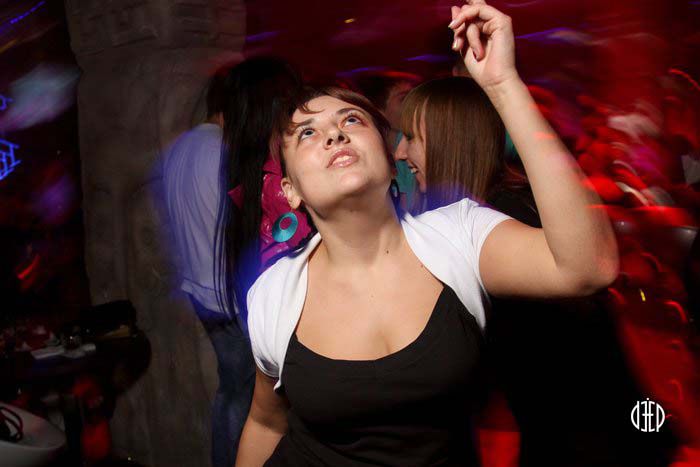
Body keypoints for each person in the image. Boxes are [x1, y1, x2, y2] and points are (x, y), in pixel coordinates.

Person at [236, 1, 619, 465]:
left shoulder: (460, 233)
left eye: (351, 119)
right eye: (307, 134)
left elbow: (588, 267)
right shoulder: (275, 293)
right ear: (291, 191)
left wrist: (504, 86)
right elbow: (266, 422)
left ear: (389, 153)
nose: (335, 134)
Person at [396, 76, 675, 467]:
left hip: (591, 437)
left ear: (448, 141)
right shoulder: (500, 205)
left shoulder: (501, 219)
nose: (400, 152)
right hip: (585, 427)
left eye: (411, 137)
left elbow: (566, 356)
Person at [351, 71, 423, 210]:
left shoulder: (416, 147)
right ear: (378, 110)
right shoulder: (363, 152)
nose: (413, 105)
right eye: (404, 99)